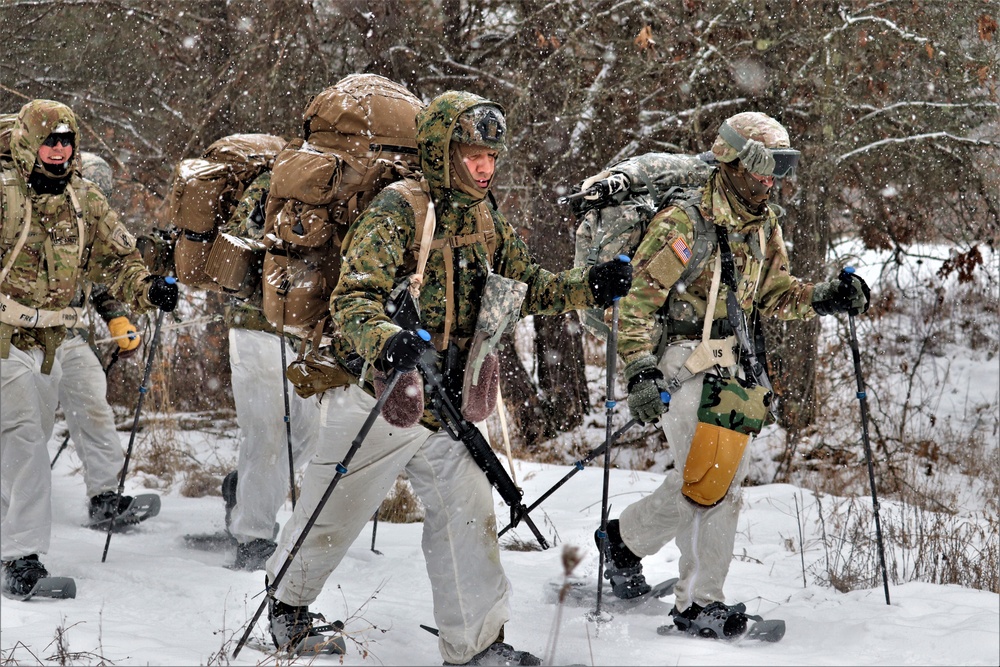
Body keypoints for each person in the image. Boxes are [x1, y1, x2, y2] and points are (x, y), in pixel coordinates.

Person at [262, 91, 632, 665]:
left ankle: (475, 645)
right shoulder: (398, 208)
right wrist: (387, 341)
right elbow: (352, 300)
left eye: (492, 155)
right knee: (333, 510)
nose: (485, 166)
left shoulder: (486, 215)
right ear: (442, 151)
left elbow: (525, 283)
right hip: (382, 395)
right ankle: (286, 606)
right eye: (472, 154)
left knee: (468, 519)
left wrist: (590, 285)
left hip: (451, 399)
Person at [595, 111, 870, 638]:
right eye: (764, 170)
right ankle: (698, 605)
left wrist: (823, 297)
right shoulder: (684, 222)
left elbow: (773, 293)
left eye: (778, 172)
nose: (771, 182)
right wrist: (639, 373)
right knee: (715, 485)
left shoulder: (763, 222)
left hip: (733, 363)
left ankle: (622, 542)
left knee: (695, 481)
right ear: (734, 163)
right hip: (681, 360)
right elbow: (633, 306)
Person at [0, 99, 178, 598]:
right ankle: (20, 558)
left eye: (66, 141)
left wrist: (147, 289)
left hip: (57, 341)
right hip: (4, 339)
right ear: (28, 141)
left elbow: (119, 258)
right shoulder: (5, 193)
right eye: (49, 140)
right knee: (24, 441)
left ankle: (94, 501)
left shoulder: (85, 200)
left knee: (26, 437)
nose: (58, 150)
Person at [218, 170, 320, 571]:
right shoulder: (276, 179)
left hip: (309, 330)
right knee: (268, 433)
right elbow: (240, 241)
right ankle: (253, 536)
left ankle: (244, 488)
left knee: (308, 435)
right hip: (257, 322)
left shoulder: (357, 187)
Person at [56, 152, 162, 529]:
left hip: (69, 337)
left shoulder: (92, 228)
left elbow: (102, 276)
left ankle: (105, 497)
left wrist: (117, 316)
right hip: (20, 339)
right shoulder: (35, 218)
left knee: (93, 406)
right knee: (24, 425)